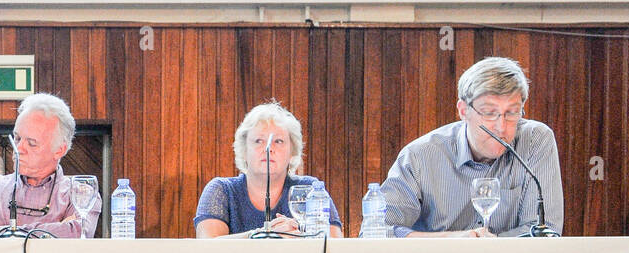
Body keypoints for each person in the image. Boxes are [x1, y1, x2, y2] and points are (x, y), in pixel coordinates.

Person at [380, 56, 563, 237]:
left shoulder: (535, 140)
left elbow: (544, 231)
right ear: (463, 111)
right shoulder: (419, 156)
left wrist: (485, 249)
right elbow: (378, 232)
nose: (501, 127)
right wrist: (452, 241)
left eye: (512, 113)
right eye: (490, 113)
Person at [0, 93, 101, 240]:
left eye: (31, 143)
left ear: (59, 150)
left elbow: (76, 234)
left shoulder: (81, 193)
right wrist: (54, 230)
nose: (19, 148)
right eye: (17, 138)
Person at [194, 102, 342, 238]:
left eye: (278, 141)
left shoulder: (310, 190)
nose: (268, 148)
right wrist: (265, 235)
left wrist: (298, 237)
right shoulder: (222, 190)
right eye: (259, 141)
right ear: (244, 151)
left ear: (292, 152)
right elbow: (209, 246)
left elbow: (336, 246)